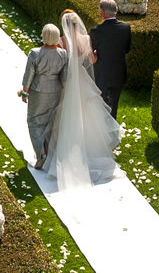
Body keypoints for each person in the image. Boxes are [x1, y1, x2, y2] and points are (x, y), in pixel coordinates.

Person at [43, 10, 123, 191]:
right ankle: (92, 151)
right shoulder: (86, 39)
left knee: (65, 114)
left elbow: (59, 63)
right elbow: (93, 60)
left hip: (68, 81)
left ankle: (64, 153)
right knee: (88, 115)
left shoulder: (62, 42)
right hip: (82, 79)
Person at [20, 24, 68, 169]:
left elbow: (29, 75)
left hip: (38, 91)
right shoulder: (63, 54)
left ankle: (41, 153)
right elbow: (64, 76)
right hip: (56, 90)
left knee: (34, 121)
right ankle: (50, 151)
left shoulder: (35, 53)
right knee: (51, 121)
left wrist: (24, 92)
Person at [89, 0, 131, 120]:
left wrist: (96, 56)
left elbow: (90, 53)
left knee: (101, 104)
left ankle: (102, 131)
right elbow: (127, 49)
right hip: (119, 72)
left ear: (102, 12)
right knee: (114, 104)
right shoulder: (126, 28)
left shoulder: (97, 31)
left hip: (102, 73)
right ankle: (112, 129)